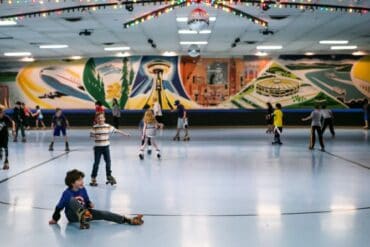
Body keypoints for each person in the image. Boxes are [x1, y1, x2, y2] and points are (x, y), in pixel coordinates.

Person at [49, 169, 144, 229]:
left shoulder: (83, 189)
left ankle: (127, 220)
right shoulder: (67, 193)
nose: (82, 182)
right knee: (72, 200)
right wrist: (55, 219)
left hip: (86, 214)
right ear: (72, 183)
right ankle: (83, 217)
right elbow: (59, 208)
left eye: (82, 179)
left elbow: (86, 200)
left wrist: (89, 203)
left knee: (103, 213)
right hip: (73, 216)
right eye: (79, 180)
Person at [89, 113, 130, 186]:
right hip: (98, 147)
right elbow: (91, 135)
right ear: (96, 120)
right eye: (98, 118)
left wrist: (125, 134)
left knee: (108, 162)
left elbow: (116, 130)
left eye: (102, 118)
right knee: (96, 163)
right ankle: (93, 177)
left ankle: (109, 176)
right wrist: (95, 135)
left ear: (104, 119)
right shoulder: (95, 127)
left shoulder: (107, 126)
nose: (100, 119)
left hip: (106, 147)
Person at [0, 106, 15, 170]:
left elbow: (13, 122)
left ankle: (6, 162)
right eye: (2, 112)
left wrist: (13, 130)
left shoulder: (6, 117)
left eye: (3, 112)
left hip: (5, 135)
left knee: (5, 147)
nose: (3, 113)